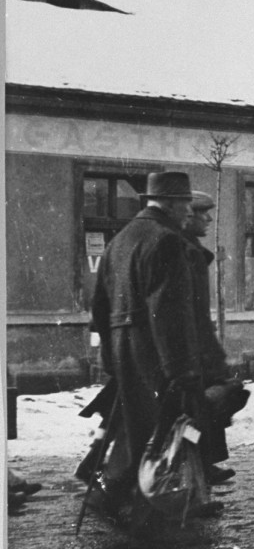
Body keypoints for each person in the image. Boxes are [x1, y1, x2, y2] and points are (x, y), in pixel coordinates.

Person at [88, 171, 206, 524]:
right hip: (155, 349)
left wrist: (109, 353)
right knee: (166, 427)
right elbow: (167, 312)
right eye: (185, 203)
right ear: (169, 203)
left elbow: (99, 306)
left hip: (125, 347)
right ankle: (148, 510)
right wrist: (180, 370)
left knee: (140, 425)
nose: (189, 210)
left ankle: (123, 498)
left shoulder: (120, 239)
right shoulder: (166, 240)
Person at [182, 191, 249, 485]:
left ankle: (204, 466)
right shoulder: (185, 252)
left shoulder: (192, 249)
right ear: (187, 216)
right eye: (202, 213)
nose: (209, 218)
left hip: (197, 348)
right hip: (189, 350)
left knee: (200, 414)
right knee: (194, 414)